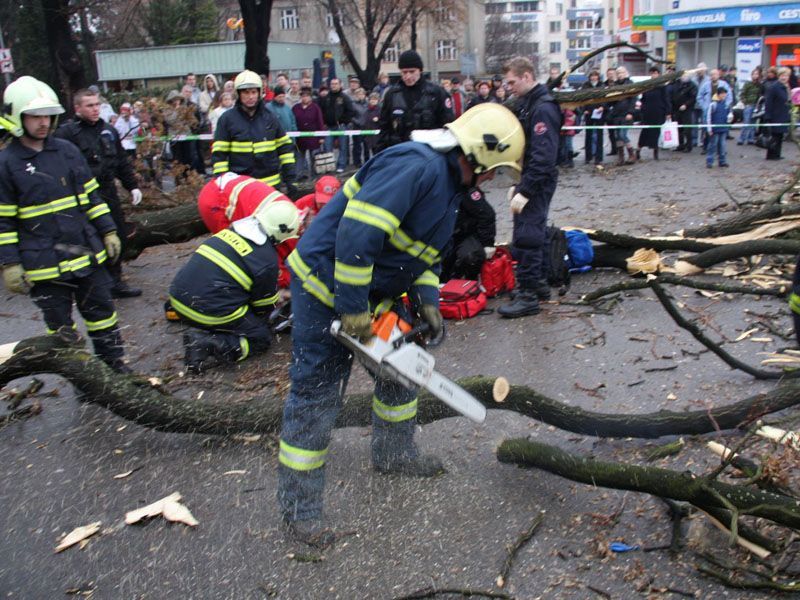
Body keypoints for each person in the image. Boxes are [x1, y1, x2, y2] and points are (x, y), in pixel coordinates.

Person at [276, 102, 524, 546]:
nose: (490, 181)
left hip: (372, 291)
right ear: (480, 153)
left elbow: (424, 256)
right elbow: (355, 237)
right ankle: (300, 512)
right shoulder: (416, 167)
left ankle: (394, 453)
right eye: (493, 171)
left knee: (404, 371)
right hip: (324, 284)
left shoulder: (449, 187)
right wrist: (352, 310)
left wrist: (428, 302)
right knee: (316, 396)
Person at [0, 76, 129, 372]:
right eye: (35, 116)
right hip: (44, 264)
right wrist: (9, 264)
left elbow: (91, 197)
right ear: (16, 116)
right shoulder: (6, 164)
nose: (43, 122)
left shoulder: (66, 151)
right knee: (60, 329)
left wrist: (108, 231)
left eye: (47, 115)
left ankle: (116, 368)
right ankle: (82, 378)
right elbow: (3, 222)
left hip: (85, 253)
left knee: (103, 315)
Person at [170, 200, 300, 374]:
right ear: (283, 232)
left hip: (177, 299)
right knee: (260, 338)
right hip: (205, 310)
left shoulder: (229, 233)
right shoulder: (266, 260)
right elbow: (263, 308)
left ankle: (204, 324)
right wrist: (281, 297)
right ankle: (207, 344)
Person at [56, 88, 143, 298]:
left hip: (107, 191)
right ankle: (93, 283)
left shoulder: (108, 131)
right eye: (90, 105)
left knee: (117, 235)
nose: (95, 109)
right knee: (90, 239)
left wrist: (132, 185)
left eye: (97, 105)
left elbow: (121, 161)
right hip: (81, 196)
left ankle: (116, 281)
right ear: (78, 108)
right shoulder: (67, 133)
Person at [497, 57, 560, 319]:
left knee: (529, 234)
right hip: (531, 177)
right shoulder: (531, 104)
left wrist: (527, 189)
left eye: (512, 81)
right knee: (532, 230)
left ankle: (528, 295)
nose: (509, 87)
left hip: (537, 179)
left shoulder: (542, 107)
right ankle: (539, 284)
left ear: (526, 76)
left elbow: (543, 156)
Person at [196, 172, 298, 289]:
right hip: (215, 200)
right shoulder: (282, 229)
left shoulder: (291, 215)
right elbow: (267, 264)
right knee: (234, 252)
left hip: (230, 186)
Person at [212, 70, 297, 193]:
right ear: (238, 94)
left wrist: (290, 179)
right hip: (242, 189)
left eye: (253, 92)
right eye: (246, 93)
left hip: (270, 188)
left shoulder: (270, 117)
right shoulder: (227, 120)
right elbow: (219, 156)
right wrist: (222, 184)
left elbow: (285, 150)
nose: (250, 96)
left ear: (259, 93)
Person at [375, 50, 454, 152]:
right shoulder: (392, 95)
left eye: (412, 72)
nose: (408, 76)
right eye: (404, 72)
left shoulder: (436, 93)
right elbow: (384, 126)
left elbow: (448, 125)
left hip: (429, 152)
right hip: (400, 151)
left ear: (420, 70)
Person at [441, 187, 497, 281]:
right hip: (444, 236)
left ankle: (470, 281)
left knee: (471, 256)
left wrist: (488, 243)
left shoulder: (465, 190)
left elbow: (486, 214)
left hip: (465, 234)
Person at [317, 77, 355, 173]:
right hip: (329, 127)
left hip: (341, 126)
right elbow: (321, 111)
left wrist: (344, 121)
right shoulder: (326, 98)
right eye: (332, 84)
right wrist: (324, 122)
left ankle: (341, 165)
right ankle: (330, 166)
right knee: (328, 147)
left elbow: (350, 111)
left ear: (340, 85)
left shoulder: (344, 97)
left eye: (336, 84)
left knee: (343, 147)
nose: (333, 85)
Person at [637, 66, 671, 160]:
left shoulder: (662, 86)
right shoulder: (647, 85)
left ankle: (655, 152)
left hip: (658, 112)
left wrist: (668, 112)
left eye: (655, 73)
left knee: (656, 132)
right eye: (652, 73)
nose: (653, 75)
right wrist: (642, 109)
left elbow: (666, 99)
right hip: (647, 112)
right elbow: (643, 98)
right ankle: (638, 150)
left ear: (658, 74)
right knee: (645, 131)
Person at [292, 86, 326, 180]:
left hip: (313, 138)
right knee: (299, 158)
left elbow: (320, 122)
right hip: (300, 138)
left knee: (314, 158)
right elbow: (293, 121)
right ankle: (298, 175)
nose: (305, 98)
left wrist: (321, 137)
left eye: (307, 96)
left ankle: (314, 176)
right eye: (303, 96)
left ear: (310, 97)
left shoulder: (315, 108)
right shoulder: (296, 107)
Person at [607, 67, 637, 166]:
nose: (620, 74)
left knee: (622, 135)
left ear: (626, 73)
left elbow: (633, 100)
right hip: (616, 114)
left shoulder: (630, 84)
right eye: (618, 73)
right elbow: (611, 102)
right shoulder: (614, 85)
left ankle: (632, 154)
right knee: (617, 137)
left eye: (622, 72)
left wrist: (630, 113)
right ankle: (621, 157)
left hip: (626, 114)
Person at [764, 68, 791, 161]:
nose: (784, 77)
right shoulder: (774, 87)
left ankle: (777, 153)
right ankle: (771, 154)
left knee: (780, 136)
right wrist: (768, 116)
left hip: (783, 115)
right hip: (775, 115)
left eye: (786, 76)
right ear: (779, 76)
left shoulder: (786, 87)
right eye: (782, 75)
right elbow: (768, 102)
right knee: (774, 136)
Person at [581, 71, 605, 164]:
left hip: (599, 112)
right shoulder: (585, 86)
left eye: (595, 76)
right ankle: (588, 156)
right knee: (588, 135)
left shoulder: (602, 85)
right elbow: (582, 98)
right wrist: (584, 109)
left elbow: (605, 97)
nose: (594, 77)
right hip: (589, 112)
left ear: (598, 77)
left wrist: (602, 106)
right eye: (592, 76)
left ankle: (599, 157)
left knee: (599, 136)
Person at [672, 72, 697, 152]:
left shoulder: (692, 85)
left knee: (687, 129)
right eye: (682, 76)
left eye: (685, 76)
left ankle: (688, 145)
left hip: (687, 109)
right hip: (677, 109)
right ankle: (680, 144)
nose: (683, 77)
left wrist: (686, 105)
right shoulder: (677, 84)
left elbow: (693, 98)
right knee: (679, 128)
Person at [705, 86, 730, 168]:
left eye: (725, 94)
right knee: (713, 145)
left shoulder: (726, 105)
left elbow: (728, 117)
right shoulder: (713, 105)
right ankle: (709, 161)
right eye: (722, 94)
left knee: (722, 146)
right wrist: (709, 129)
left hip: (723, 128)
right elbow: (708, 117)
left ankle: (722, 161)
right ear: (718, 94)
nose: (724, 95)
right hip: (715, 129)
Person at [738, 68, 763, 146]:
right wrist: (745, 102)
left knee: (753, 123)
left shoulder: (760, 85)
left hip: (756, 105)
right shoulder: (748, 83)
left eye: (757, 74)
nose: (755, 76)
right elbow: (742, 94)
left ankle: (750, 139)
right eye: (754, 74)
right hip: (748, 105)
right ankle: (741, 139)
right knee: (746, 122)